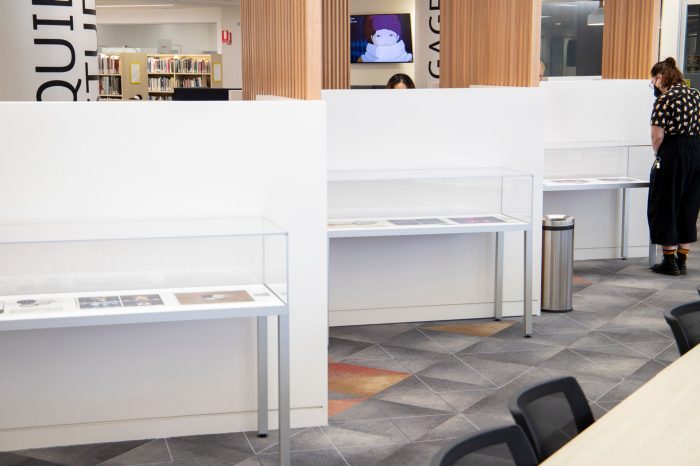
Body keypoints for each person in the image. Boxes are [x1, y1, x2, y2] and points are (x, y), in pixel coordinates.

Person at [648, 57, 700, 275]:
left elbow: (657, 136)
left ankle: (669, 260)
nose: (653, 86)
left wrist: (659, 155)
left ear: (660, 77)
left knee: (666, 201)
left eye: (652, 82)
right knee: (689, 202)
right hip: (697, 150)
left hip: (673, 152)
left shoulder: (665, 99)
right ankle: (683, 259)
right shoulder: (696, 94)